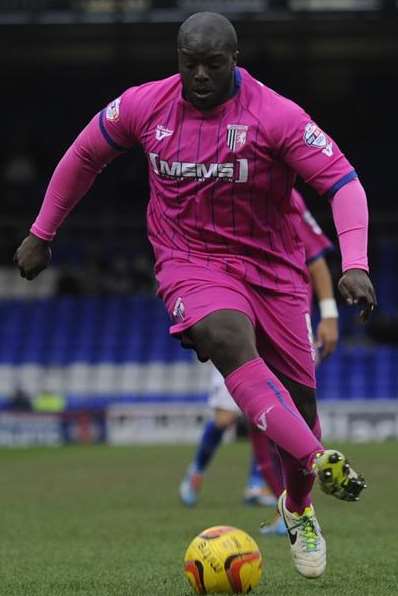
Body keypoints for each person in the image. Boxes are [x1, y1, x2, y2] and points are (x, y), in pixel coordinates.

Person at [14, 12, 377, 579]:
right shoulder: (143, 106)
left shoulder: (275, 115)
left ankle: (299, 506)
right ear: (178, 59)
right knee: (225, 337)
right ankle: (315, 458)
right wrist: (42, 232)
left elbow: (342, 183)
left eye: (213, 64)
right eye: (190, 64)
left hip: (274, 269)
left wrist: (353, 263)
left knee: (303, 407)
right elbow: (84, 155)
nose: (201, 75)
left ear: (235, 60)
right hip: (190, 262)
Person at [179, 190, 338, 534]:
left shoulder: (285, 197)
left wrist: (329, 313)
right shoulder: (211, 186)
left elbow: (316, 259)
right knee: (235, 416)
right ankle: (204, 474)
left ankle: (287, 502)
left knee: (290, 412)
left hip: (285, 321)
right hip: (236, 326)